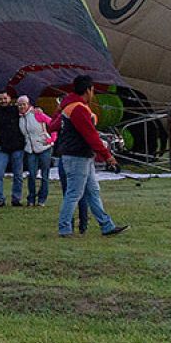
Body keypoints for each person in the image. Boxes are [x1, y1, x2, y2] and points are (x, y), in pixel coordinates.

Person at [55, 76, 129, 238]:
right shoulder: (79, 109)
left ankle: (106, 225)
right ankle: (64, 228)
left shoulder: (68, 106)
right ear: (89, 90)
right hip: (77, 157)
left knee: (93, 191)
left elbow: (52, 126)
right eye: (93, 90)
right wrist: (108, 157)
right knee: (74, 193)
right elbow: (91, 136)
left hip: (79, 156)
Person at [0, 90, 26, 206]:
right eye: (0, 99)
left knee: (18, 175)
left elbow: (28, 111)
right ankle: (0, 199)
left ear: (10, 99)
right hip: (1, 147)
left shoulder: (16, 110)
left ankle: (16, 199)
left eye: (5, 98)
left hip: (17, 147)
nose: (3, 101)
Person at [17, 96, 55, 207]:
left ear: (28, 104)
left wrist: (51, 139)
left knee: (44, 175)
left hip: (44, 148)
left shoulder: (37, 114)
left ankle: (42, 199)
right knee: (32, 175)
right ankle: (31, 198)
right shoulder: (19, 118)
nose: (22, 107)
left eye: (24, 104)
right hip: (30, 149)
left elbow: (52, 124)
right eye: (20, 105)